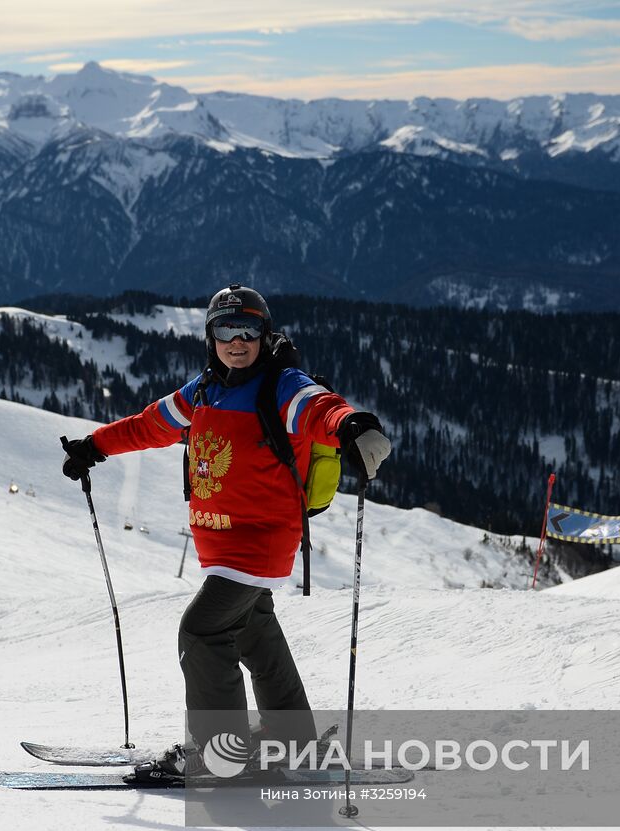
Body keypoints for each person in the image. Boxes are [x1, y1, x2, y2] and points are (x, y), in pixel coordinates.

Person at [61, 283, 391, 777]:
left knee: (201, 630)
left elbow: (320, 407)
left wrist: (351, 425)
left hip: (260, 541)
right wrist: (96, 446)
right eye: (225, 330)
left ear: (265, 332)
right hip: (226, 547)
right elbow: (150, 424)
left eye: (248, 329)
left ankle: (220, 755)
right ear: (211, 337)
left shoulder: (281, 385)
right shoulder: (205, 390)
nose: (237, 341)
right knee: (253, 631)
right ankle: (293, 738)